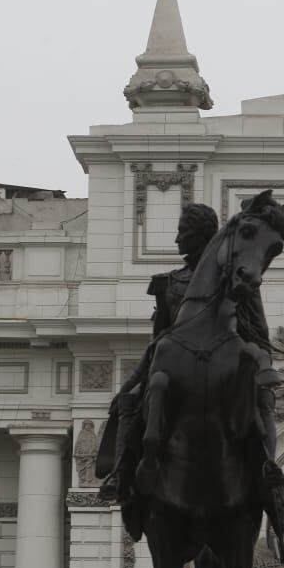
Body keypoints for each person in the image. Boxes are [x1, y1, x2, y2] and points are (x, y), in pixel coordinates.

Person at [95, 203, 220, 510]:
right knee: (128, 401)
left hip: (217, 365)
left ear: (201, 236)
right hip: (173, 366)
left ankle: (265, 469)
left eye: (183, 232)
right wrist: (130, 385)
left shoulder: (226, 280)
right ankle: (120, 472)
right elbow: (157, 342)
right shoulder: (168, 283)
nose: (177, 240)